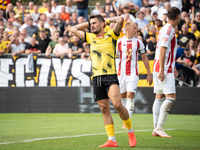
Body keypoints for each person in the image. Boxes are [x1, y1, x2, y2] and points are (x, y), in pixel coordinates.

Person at [71, 14, 136, 148]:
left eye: (95, 23)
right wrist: (89, 24)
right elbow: (73, 29)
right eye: (91, 24)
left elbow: (121, 19)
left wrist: (108, 20)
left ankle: (130, 132)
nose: (92, 25)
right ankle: (111, 139)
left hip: (110, 76)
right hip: (97, 78)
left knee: (117, 105)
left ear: (102, 24)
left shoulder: (112, 35)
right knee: (104, 109)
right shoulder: (90, 36)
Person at [117, 22, 153, 129]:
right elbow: (116, 58)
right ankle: (125, 118)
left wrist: (149, 74)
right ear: (127, 29)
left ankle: (127, 120)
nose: (136, 30)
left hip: (133, 73)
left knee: (130, 96)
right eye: (134, 28)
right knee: (122, 96)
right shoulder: (119, 41)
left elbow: (144, 57)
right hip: (121, 74)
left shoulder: (138, 42)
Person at [152, 7, 180, 137]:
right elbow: (163, 50)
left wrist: (172, 66)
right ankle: (159, 128)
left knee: (159, 97)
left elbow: (168, 50)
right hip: (163, 68)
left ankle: (155, 128)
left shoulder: (165, 28)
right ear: (178, 17)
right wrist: (163, 70)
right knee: (171, 98)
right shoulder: (169, 30)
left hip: (162, 66)